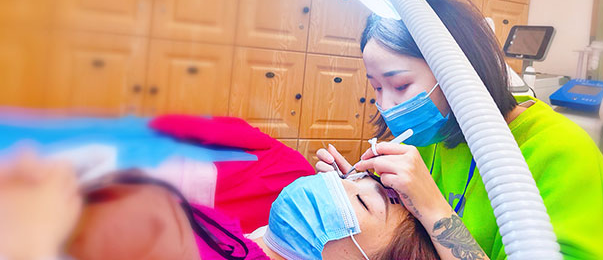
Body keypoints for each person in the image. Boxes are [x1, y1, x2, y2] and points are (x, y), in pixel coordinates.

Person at [316, 0, 603, 260]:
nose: (386, 105)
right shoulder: (434, 135)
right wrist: (363, 189)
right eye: (376, 87)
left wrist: (433, 208)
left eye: (400, 85)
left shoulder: (557, 152)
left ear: (460, 72)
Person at [0, 151, 440, 260]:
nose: (333, 184)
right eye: (349, 179)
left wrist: (32, 238)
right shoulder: (236, 237)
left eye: (362, 200)